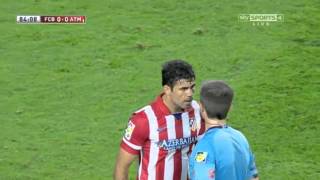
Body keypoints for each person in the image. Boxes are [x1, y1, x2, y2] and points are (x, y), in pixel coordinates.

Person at [114, 60, 205, 180]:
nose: (189, 94)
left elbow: (205, 151)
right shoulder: (143, 120)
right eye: (183, 89)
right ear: (167, 89)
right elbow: (122, 167)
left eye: (192, 87)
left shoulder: (199, 111)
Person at [188, 80, 259, 180]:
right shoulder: (241, 138)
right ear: (230, 108)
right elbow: (253, 177)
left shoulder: (204, 147)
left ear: (201, 107)